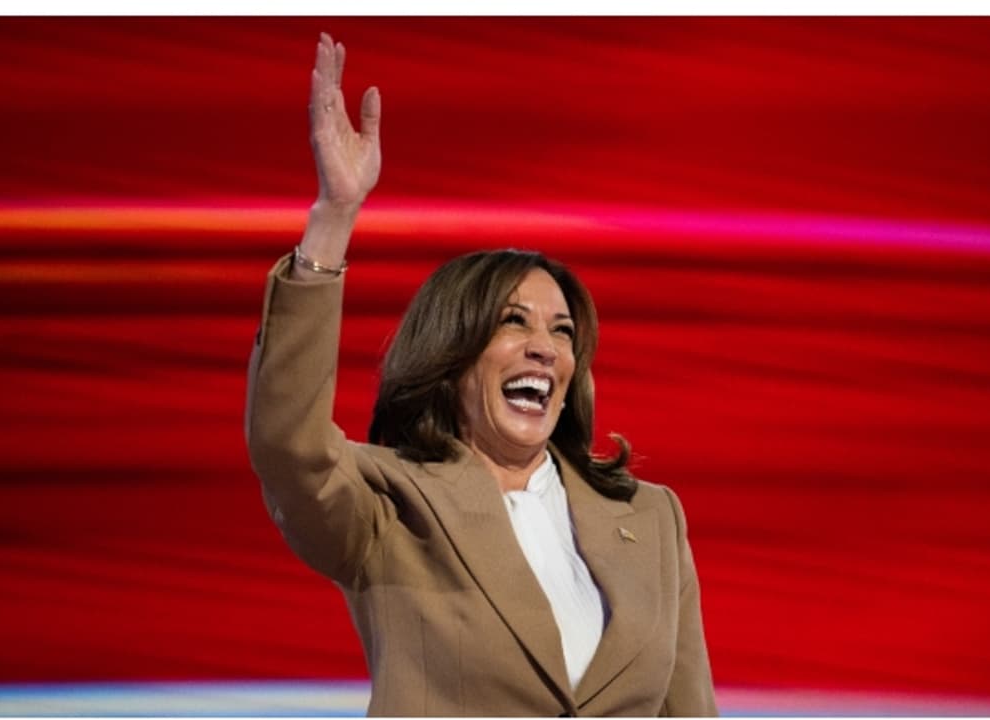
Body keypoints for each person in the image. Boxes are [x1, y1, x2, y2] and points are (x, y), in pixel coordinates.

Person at [246, 33, 718, 717]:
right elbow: (287, 444)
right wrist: (333, 220)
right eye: (513, 323)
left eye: (562, 332)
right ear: (451, 353)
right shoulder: (389, 504)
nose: (545, 349)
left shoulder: (651, 518)